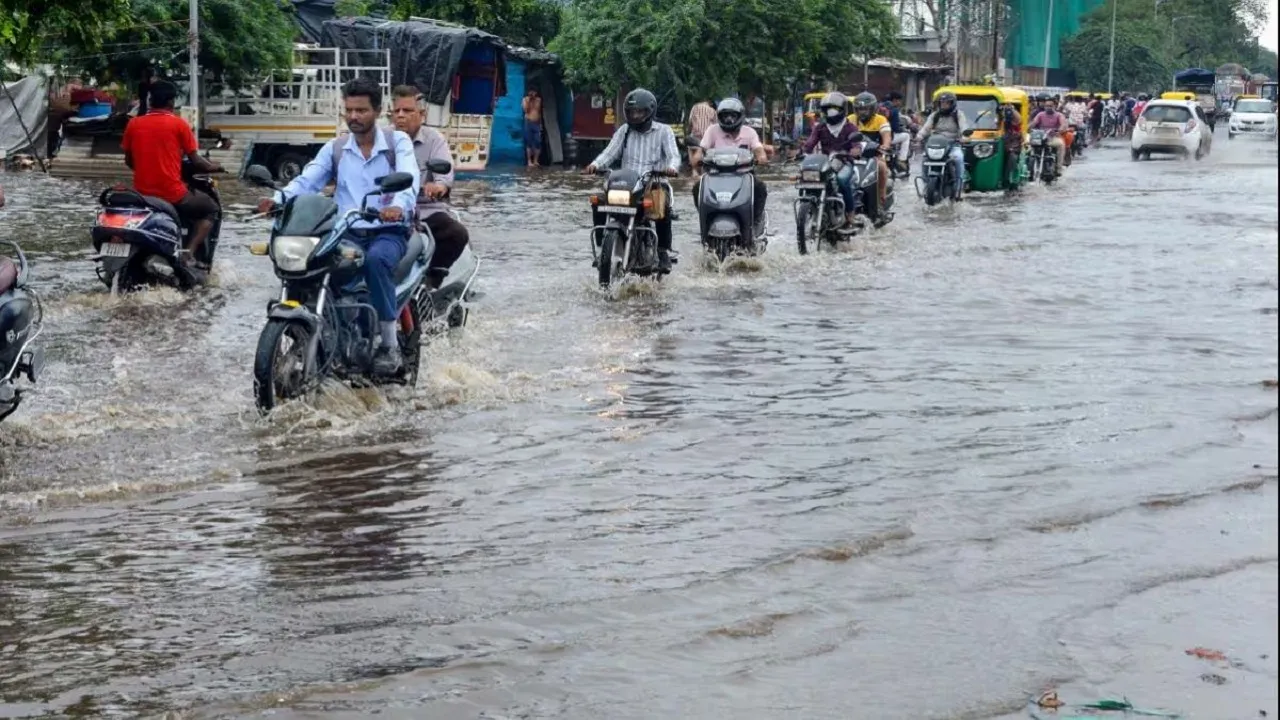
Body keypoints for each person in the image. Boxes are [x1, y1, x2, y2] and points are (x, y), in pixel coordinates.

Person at [254, 77, 420, 376]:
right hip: (347, 230)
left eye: (362, 110)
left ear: (378, 111)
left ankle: (389, 345)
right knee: (314, 265)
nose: (354, 117)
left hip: (387, 230)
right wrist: (277, 199)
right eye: (349, 110)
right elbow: (308, 181)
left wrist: (398, 206)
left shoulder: (398, 143)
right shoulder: (337, 148)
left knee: (376, 261)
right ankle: (325, 329)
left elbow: (409, 178)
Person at [120, 79, 224, 273]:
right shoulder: (179, 125)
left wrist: (146, 169)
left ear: (150, 101)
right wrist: (216, 167)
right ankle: (189, 253)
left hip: (142, 194)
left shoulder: (134, 124)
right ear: (171, 102)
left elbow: (128, 160)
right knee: (211, 208)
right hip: (171, 193)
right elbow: (197, 162)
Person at [583, 88, 681, 273]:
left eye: (639, 112)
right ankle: (600, 247)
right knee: (598, 201)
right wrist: (595, 165)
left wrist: (672, 168)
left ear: (650, 111)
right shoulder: (624, 130)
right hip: (626, 183)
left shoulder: (664, 131)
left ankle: (662, 252)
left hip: (654, 182)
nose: (635, 116)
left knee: (662, 205)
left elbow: (674, 156)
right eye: (632, 112)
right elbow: (610, 153)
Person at [389, 85, 469, 289]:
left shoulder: (434, 139)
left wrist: (438, 186)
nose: (400, 116)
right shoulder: (382, 139)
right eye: (396, 111)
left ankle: (432, 281)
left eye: (407, 111)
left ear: (421, 115)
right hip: (387, 212)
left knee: (456, 234)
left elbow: (445, 173)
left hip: (424, 211)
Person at [689, 98, 768, 225]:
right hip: (715, 176)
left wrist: (761, 158)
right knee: (697, 188)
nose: (729, 119)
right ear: (719, 117)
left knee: (760, 188)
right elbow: (701, 150)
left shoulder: (750, 132)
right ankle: (706, 219)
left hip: (744, 176)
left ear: (740, 116)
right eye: (725, 115)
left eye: (732, 115)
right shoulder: (712, 130)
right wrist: (698, 158)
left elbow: (759, 150)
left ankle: (756, 220)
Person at [801, 91, 867, 228]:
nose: (831, 113)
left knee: (842, 180)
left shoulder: (850, 127)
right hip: (825, 163)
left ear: (842, 110)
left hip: (844, 162)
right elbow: (810, 143)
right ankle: (809, 211)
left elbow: (857, 143)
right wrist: (801, 152)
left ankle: (850, 214)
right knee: (806, 179)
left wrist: (856, 150)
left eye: (834, 109)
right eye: (827, 110)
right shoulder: (820, 127)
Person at [917, 90, 970, 197]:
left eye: (946, 103)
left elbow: (964, 127)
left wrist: (965, 137)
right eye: (942, 103)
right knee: (924, 159)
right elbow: (926, 128)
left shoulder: (959, 115)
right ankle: (925, 184)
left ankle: (958, 187)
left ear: (952, 103)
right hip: (935, 145)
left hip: (953, 145)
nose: (944, 105)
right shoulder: (934, 115)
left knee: (958, 158)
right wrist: (919, 136)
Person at [851, 92, 891, 212]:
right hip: (853, 155)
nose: (862, 112)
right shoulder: (850, 119)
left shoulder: (880, 120)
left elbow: (886, 136)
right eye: (859, 109)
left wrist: (885, 146)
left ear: (873, 109)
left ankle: (881, 197)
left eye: (865, 109)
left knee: (882, 167)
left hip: (874, 155)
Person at [1028, 96, 1067, 175]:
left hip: (1053, 137)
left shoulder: (1059, 115)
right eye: (1047, 106)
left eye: (1050, 106)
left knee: (1061, 144)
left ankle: (1058, 168)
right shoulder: (1040, 114)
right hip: (1040, 137)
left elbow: (1063, 124)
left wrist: (1059, 130)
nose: (1048, 108)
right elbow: (1034, 123)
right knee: (1027, 143)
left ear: (1055, 106)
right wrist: (1028, 128)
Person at [883, 91, 911, 174]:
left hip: (878, 137)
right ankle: (902, 160)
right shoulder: (894, 110)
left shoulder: (880, 108)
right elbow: (895, 128)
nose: (900, 103)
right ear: (895, 100)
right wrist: (903, 130)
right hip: (889, 137)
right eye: (899, 100)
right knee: (906, 136)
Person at [686, 97, 716, 166]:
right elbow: (715, 126)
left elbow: (690, 122)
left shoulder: (695, 107)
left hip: (695, 136)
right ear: (710, 103)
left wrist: (688, 132)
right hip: (707, 138)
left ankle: (693, 168)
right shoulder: (713, 111)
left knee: (690, 147)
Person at [999, 102, 1022, 189]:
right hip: (1001, 144)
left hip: (1013, 145)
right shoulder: (997, 121)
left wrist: (1011, 109)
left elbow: (1018, 120)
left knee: (1012, 156)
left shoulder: (1014, 125)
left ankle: (1008, 179)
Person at [522, 88, 542, 167]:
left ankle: (535, 160)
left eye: (534, 92)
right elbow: (526, 110)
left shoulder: (538, 100)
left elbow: (539, 111)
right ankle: (529, 161)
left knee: (538, 141)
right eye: (531, 92)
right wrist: (529, 101)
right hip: (528, 122)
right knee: (528, 142)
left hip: (536, 123)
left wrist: (540, 124)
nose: (532, 94)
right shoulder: (525, 100)